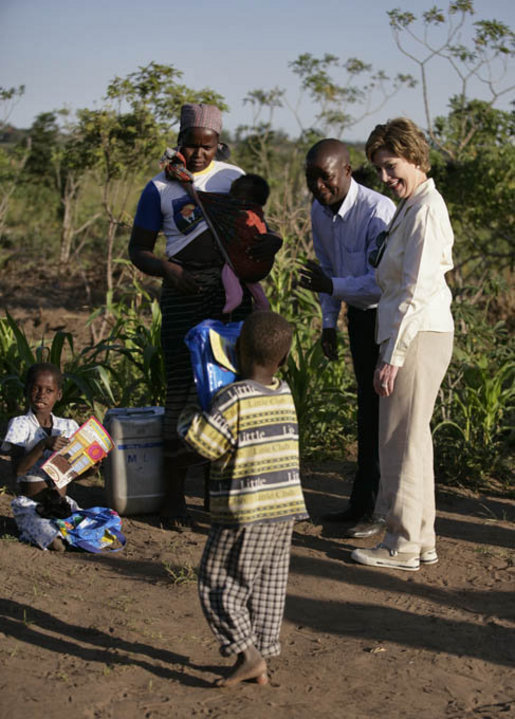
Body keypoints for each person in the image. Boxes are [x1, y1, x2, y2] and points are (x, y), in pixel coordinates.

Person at [129, 104, 280, 530]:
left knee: (228, 392)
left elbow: (253, 234)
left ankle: (220, 496)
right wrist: (169, 270)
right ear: (179, 143)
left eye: (207, 146)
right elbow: (138, 249)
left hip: (230, 295)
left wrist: (268, 245)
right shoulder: (159, 188)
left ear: (219, 144)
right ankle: (174, 496)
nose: (198, 154)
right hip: (182, 294)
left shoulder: (232, 178)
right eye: (191, 145)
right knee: (180, 388)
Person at [178, 310, 308, 687]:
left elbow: (206, 444)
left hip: (245, 512)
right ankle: (263, 654)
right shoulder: (284, 393)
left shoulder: (232, 398)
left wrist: (188, 413)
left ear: (234, 351)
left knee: (218, 580)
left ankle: (245, 653)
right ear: (283, 360)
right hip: (283, 509)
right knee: (268, 584)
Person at [351, 117, 454, 572]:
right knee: (413, 439)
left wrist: (392, 356)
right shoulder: (411, 207)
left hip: (417, 335)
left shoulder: (427, 210)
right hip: (410, 332)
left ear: (415, 157)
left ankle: (403, 542)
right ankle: (422, 537)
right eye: (380, 170)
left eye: (392, 166)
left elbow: (416, 290)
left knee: (401, 441)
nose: (387, 178)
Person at [299, 139, 395, 538]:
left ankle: (381, 510)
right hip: (357, 320)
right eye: (312, 179)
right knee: (366, 412)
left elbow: (378, 285)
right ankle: (361, 505)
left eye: (326, 177)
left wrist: (332, 286)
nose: (319, 187)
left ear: (347, 172)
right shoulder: (319, 212)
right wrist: (327, 323)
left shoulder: (377, 211)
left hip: (388, 321)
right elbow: (326, 268)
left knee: (386, 416)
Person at [1, 363, 80, 550]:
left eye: (49, 390)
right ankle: (54, 536)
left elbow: (74, 474)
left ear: (58, 395)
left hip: (61, 504)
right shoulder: (20, 425)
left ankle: (70, 534)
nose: (41, 394)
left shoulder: (68, 426)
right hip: (31, 505)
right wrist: (43, 445)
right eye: (36, 388)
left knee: (92, 523)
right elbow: (18, 470)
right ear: (27, 390)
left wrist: (91, 467)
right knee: (46, 532)